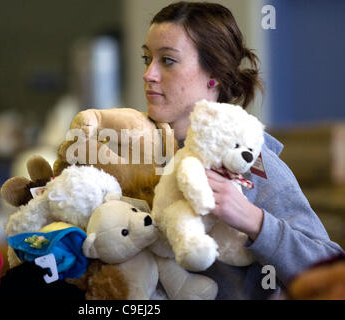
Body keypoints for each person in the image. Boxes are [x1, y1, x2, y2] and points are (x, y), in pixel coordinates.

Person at [141, 1, 344, 299]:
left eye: (167, 60)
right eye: (146, 58)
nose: (149, 74)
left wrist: (253, 220)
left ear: (215, 76)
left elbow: (329, 267)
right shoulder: (136, 146)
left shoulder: (252, 162)